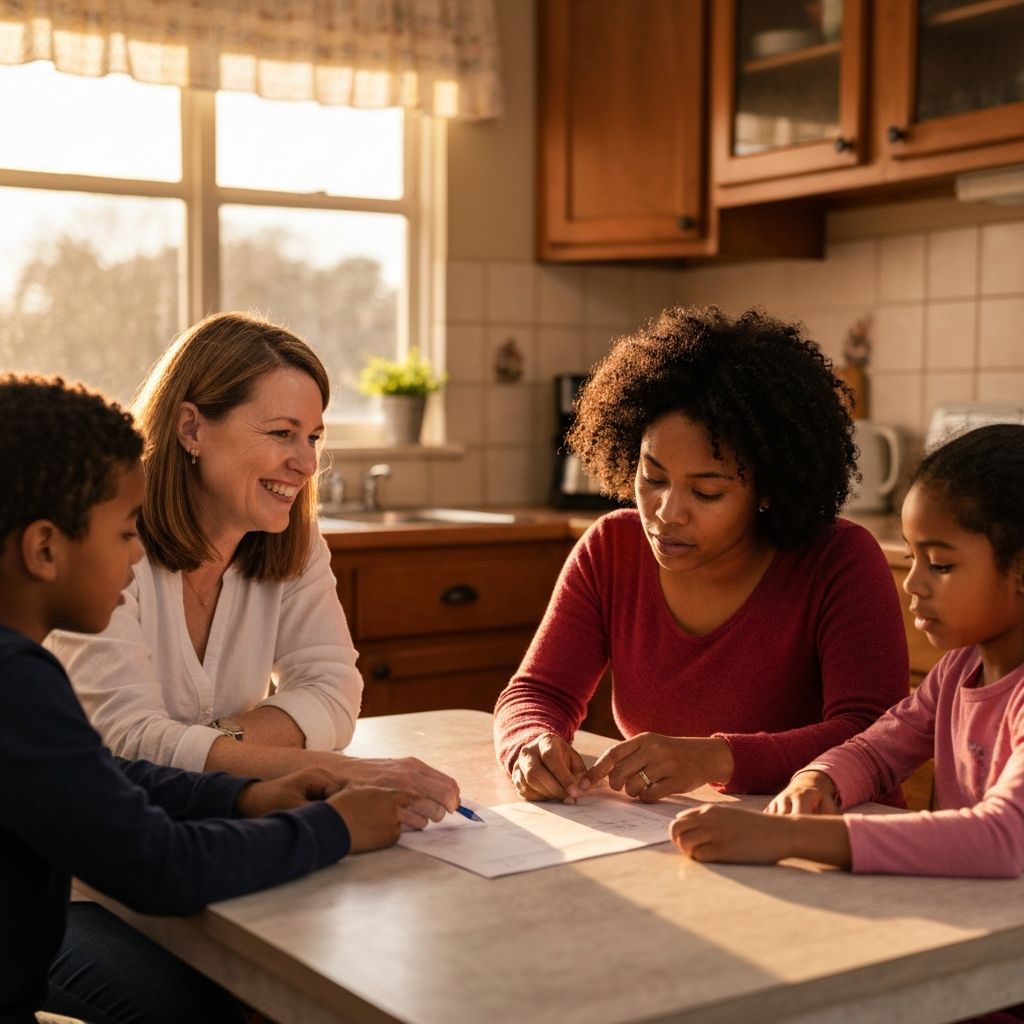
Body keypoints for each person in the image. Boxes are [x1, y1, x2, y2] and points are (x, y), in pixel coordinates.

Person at [0, 374, 412, 1024]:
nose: (137, 555)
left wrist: (243, 795)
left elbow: (101, 776)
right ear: (45, 548)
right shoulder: (17, 685)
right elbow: (158, 865)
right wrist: (331, 827)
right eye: (124, 534)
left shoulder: (16, 672)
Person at [46, 312, 459, 823]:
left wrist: (215, 743)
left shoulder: (295, 543)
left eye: (312, 437)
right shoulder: (107, 546)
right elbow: (124, 742)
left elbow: (333, 691)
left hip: (222, 828)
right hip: (95, 863)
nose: (307, 464)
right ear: (192, 428)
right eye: (283, 433)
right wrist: (322, 768)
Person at [493, 305, 909, 804]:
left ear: (768, 488)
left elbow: (873, 736)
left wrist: (714, 758)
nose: (667, 513)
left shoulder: (839, 560)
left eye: (706, 493)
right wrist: (529, 745)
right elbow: (538, 692)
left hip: (834, 843)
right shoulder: (612, 549)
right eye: (653, 477)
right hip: (683, 840)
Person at [670, 423, 1024, 879]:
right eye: (912, 558)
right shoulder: (960, 667)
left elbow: (1003, 839)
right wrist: (819, 780)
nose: (913, 584)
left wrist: (788, 837)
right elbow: (877, 751)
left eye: (940, 565)